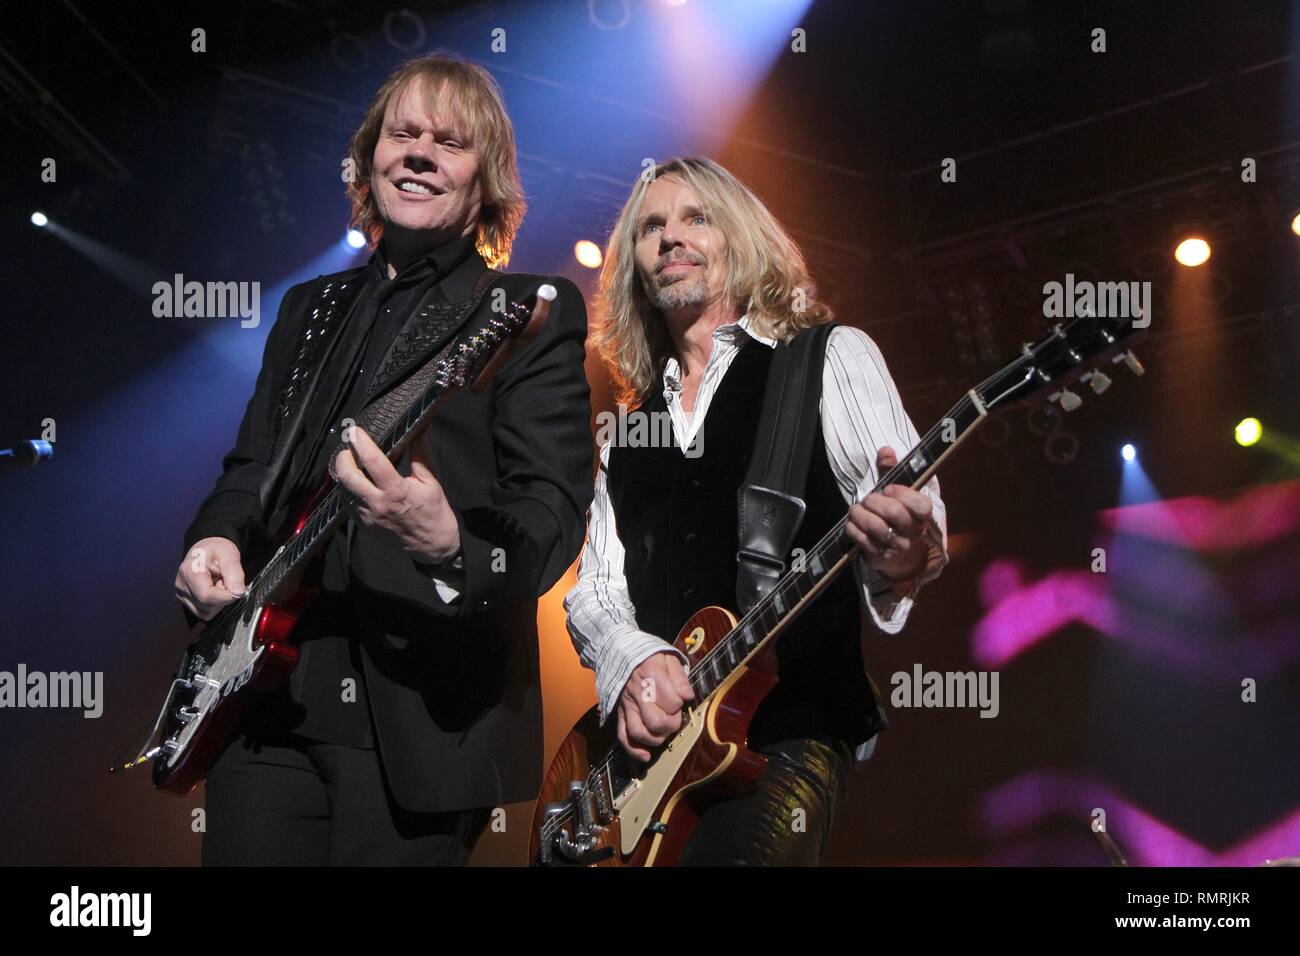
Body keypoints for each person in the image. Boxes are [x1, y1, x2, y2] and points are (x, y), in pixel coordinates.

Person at [173, 54, 592, 865]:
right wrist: (214, 540)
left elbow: (549, 510)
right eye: (402, 133)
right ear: (370, 159)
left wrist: (448, 544)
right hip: (262, 699)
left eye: (450, 141)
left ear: (486, 183)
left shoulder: (518, 311)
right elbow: (251, 466)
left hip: (421, 717)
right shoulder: (308, 307)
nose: (420, 152)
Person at [565, 157, 948, 865]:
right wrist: (636, 661)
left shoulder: (826, 359)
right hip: (648, 772)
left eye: (695, 218)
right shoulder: (629, 431)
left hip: (788, 732)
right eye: (651, 227)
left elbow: (917, 540)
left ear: (739, 239)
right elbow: (594, 592)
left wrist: (902, 547)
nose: (670, 237)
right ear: (635, 268)